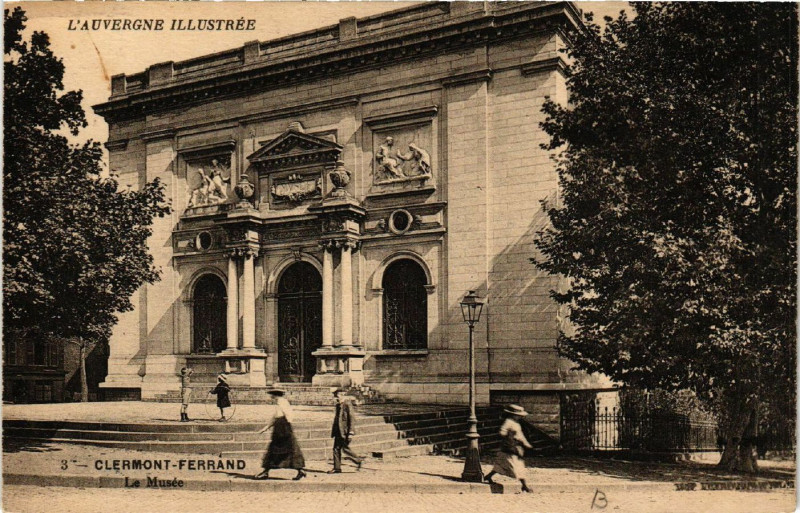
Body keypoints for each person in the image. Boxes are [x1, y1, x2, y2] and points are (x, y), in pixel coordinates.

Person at [254, 389, 306, 480]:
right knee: (284, 450)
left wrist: (286, 430)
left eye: (272, 394)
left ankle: (266, 472)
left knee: (279, 449)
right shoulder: (279, 403)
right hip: (279, 428)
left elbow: (289, 416)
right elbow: (275, 417)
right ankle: (300, 470)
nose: (271, 396)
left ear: (276, 395)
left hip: (283, 429)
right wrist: (265, 428)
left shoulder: (283, 402)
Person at [484, 404, 534, 493]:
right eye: (518, 415)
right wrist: (510, 435)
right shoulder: (508, 422)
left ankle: (488, 476)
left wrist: (526, 444)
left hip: (514, 447)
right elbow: (502, 432)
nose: (519, 417)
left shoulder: (516, 424)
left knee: (502, 465)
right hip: (509, 448)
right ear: (512, 414)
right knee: (516, 467)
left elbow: (521, 435)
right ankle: (524, 486)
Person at [328, 388, 364, 473]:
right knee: (337, 449)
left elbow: (352, 418)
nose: (337, 397)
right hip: (338, 431)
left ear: (343, 395)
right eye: (336, 396)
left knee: (344, 448)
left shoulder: (347, 404)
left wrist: (351, 432)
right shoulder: (338, 405)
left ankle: (358, 460)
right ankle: (337, 468)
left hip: (345, 432)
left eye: (338, 395)